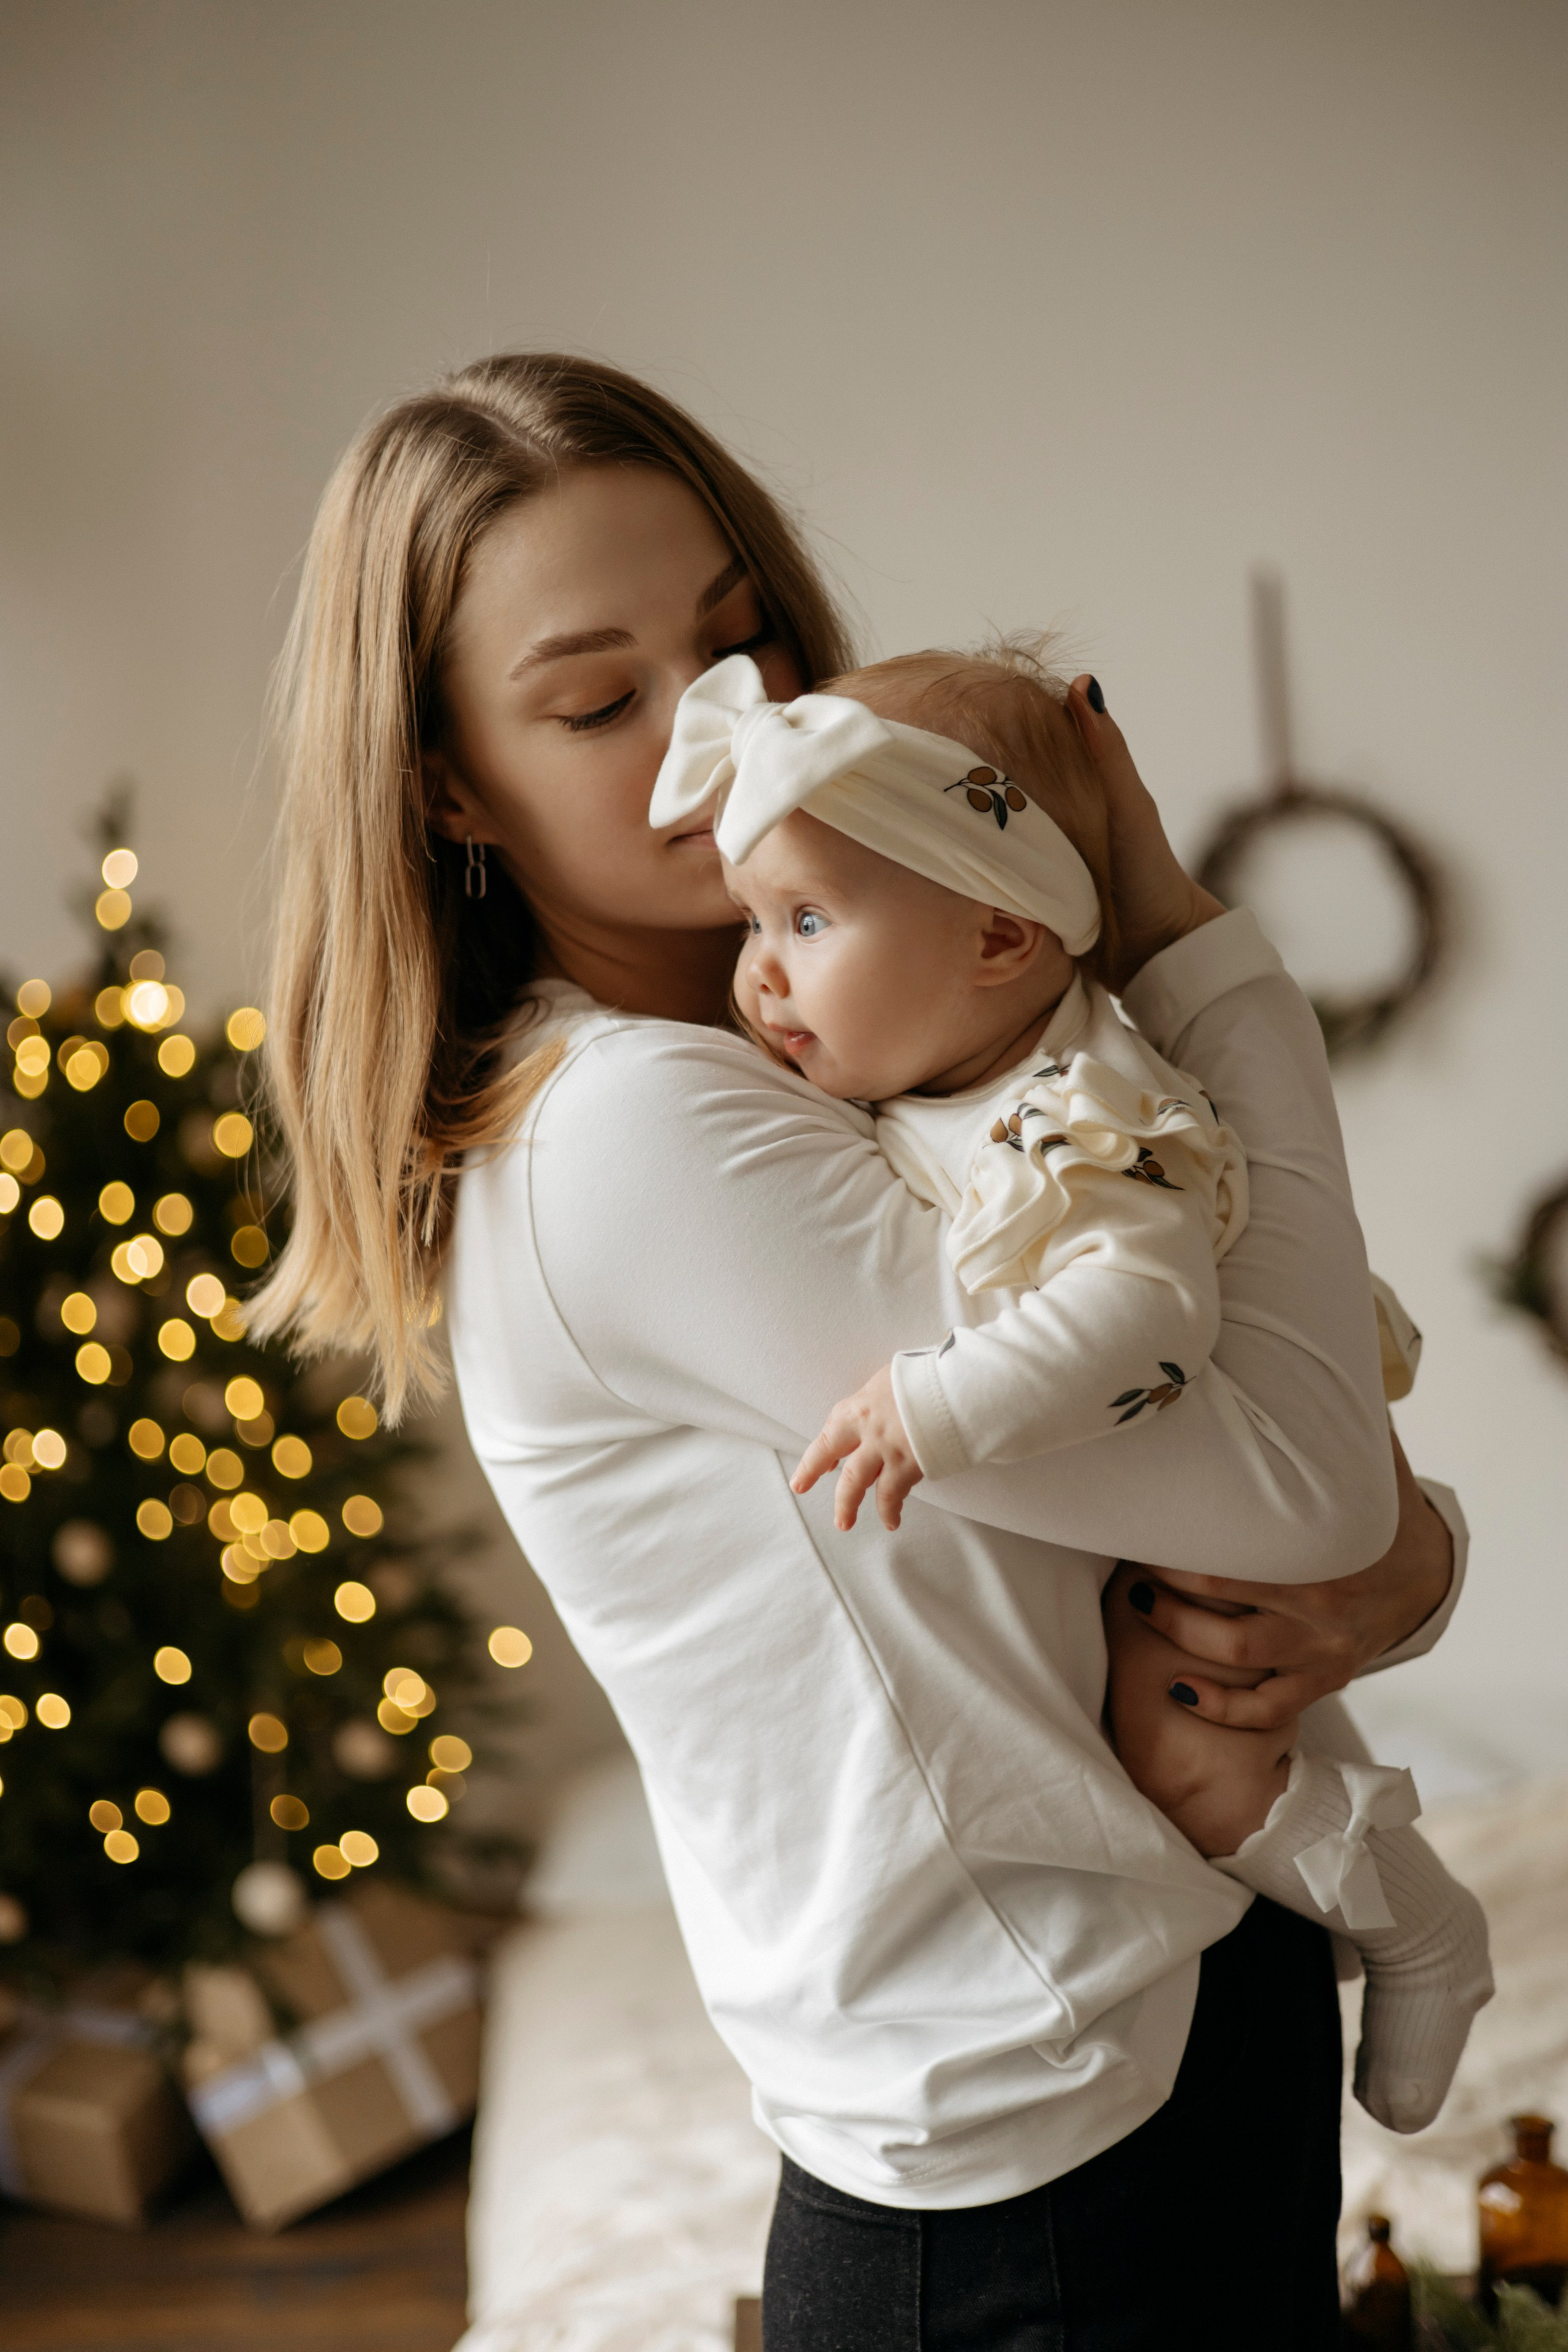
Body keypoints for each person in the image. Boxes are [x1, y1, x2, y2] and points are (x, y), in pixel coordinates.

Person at [254, 352, 1464, 2350]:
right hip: (1045, 2168)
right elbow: (1308, 1484)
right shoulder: (635, 1134)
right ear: (446, 783)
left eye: (735, 649)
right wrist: (1189, 939)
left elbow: (1254, 1451)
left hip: (1162, 2035)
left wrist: (1405, 1570)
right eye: (595, 700)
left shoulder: (873, 1047)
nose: (707, 742)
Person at [651, 639, 1490, 2144]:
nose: (758, 970)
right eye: (752, 921)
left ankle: (1420, 1929)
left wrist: (936, 1408)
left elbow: (1142, 1315)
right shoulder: (940, 1076)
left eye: (808, 918)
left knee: (1182, 1740)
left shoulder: (1085, 1115)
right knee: (1224, 1717)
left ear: (996, 941)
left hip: (1220, 1484)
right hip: (1182, 1505)